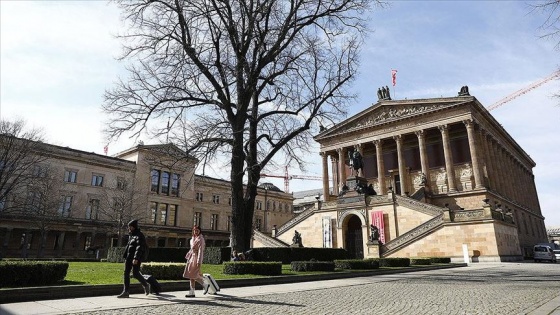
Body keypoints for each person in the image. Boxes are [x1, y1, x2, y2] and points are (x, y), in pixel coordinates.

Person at [117, 219, 150, 298]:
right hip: (129, 257)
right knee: (126, 273)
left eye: (130, 227)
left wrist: (136, 258)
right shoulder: (131, 235)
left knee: (135, 273)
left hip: (135, 258)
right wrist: (125, 256)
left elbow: (139, 248)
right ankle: (126, 291)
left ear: (134, 227)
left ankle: (146, 285)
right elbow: (129, 247)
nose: (129, 228)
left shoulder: (139, 235)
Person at [183, 225, 209, 297]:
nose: (196, 231)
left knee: (194, 275)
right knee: (191, 276)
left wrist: (199, 261)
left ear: (200, 231)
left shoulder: (201, 239)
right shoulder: (193, 239)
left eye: (197, 230)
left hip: (196, 258)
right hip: (191, 258)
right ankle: (192, 292)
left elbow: (201, 251)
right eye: (195, 230)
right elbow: (192, 249)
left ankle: (205, 285)